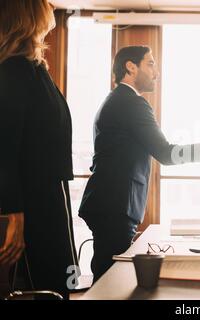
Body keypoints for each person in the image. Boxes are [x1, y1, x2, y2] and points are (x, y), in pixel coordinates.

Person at [79, 46, 200, 282]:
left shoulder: (115, 100)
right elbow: (166, 154)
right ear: (130, 67)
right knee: (110, 283)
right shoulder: (131, 104)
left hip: (108, 204)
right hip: (115, 207)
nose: (156, 72)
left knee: (108, 278)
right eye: (151, 64)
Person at [0, 0, 78, 298]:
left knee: (61, 280)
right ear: (29, 13)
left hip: (49, 194)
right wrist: (14, 215)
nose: (49, 6)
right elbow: (4, 151)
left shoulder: (33, 67)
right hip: (31, 202)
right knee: (45, 285)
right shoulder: (12, 70)